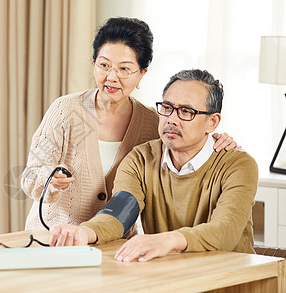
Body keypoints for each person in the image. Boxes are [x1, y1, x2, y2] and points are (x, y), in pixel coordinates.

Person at [21, 17, 238, 232]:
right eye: (103, 65)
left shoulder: (154, 123)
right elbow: (29, 176)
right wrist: (49, 178)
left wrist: (213, 142)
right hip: (53, 236)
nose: (111, 77)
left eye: (124, 69)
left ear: (142, 73)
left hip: (116, 244)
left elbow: (185, 152)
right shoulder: (65, 111)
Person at [48, 69, 258, 263]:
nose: (171, 119)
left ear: (212, 122)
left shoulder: (238, 165)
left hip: (232, 277)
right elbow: (119, 213)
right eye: (167, 108)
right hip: (168, 274)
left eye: (186, 111)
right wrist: (83, 233)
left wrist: (169, 240)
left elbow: (226, 230)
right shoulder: (140, 158)